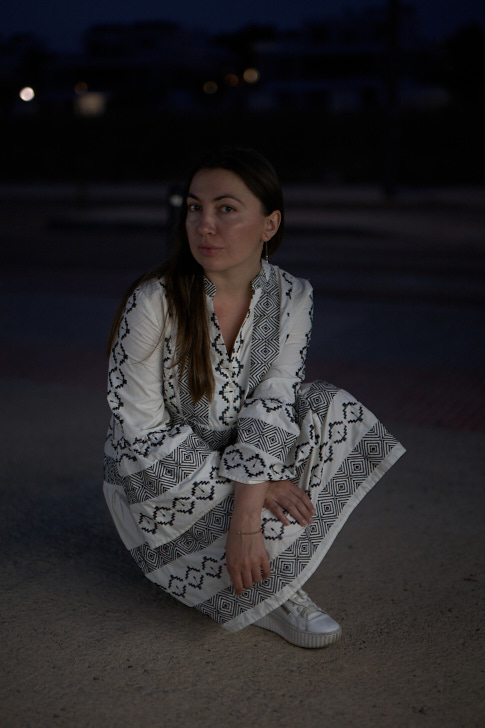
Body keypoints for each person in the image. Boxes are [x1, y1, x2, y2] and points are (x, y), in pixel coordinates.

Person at [103, 146, 405, 648]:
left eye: (225, 208)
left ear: (269, 224)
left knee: (332, 408)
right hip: (160, 469)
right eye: (194, 207)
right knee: (165, 455)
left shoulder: (294, 295)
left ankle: (264, 572)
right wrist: (260, 482)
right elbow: (140, 428)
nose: (204, 225)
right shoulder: (155, 299)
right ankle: (272, 590)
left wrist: (247, 513)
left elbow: (274, 396)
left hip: (241, 453)